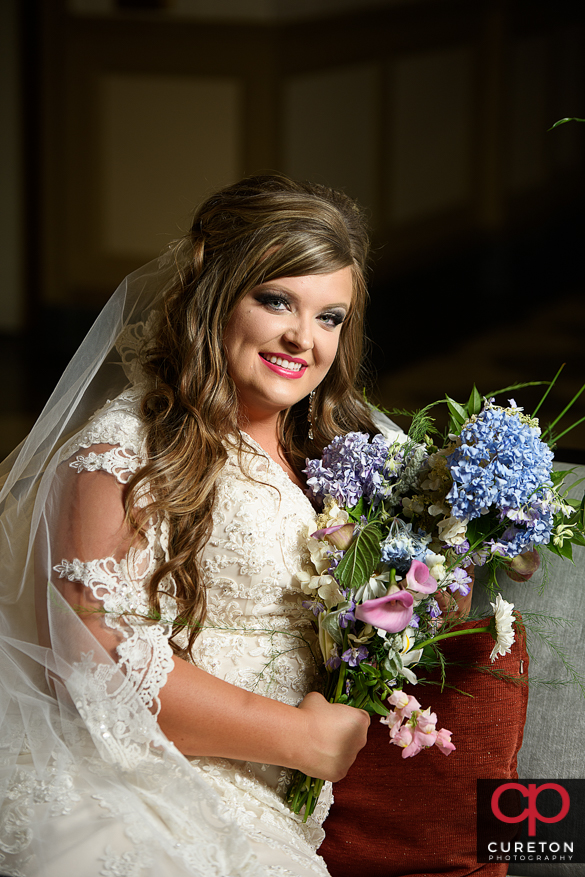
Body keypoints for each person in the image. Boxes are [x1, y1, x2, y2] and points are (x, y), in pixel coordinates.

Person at [0, 174, 404, 877]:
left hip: (273, 802)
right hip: (148, 783)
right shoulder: (126, 447)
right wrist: (300, 739)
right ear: (212, 294)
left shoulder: (343, 451)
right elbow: (92, 657)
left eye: (328, 316)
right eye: (274, 299)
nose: (299, 337)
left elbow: (421, 569)